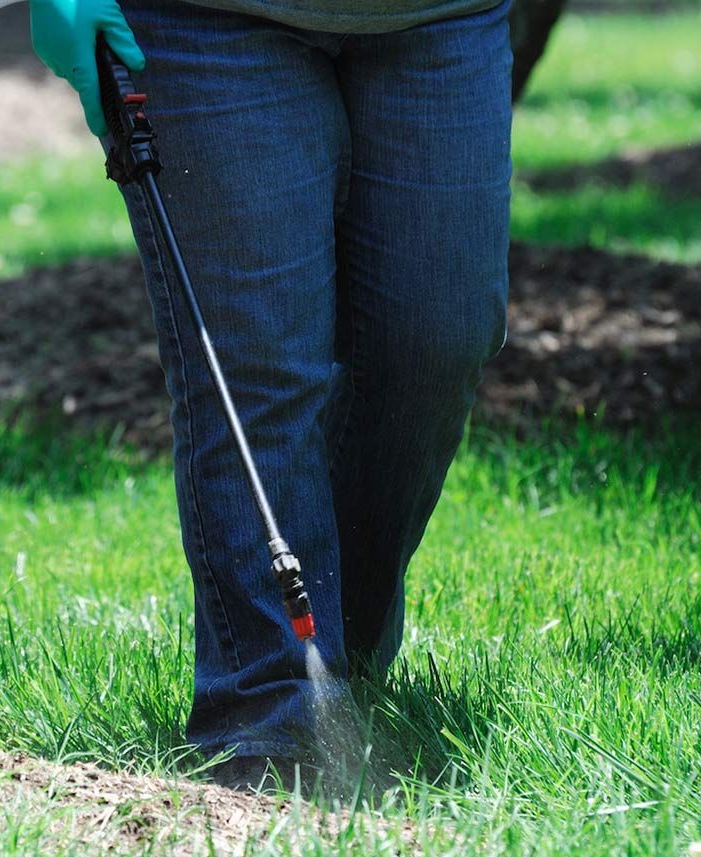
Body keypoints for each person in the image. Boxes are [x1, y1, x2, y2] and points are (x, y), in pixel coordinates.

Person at [31, 0, 511, 791]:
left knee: (436, 341)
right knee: (254, 369)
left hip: (442, 16)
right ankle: (269, 723)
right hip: (203, 22)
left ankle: (337, 659)